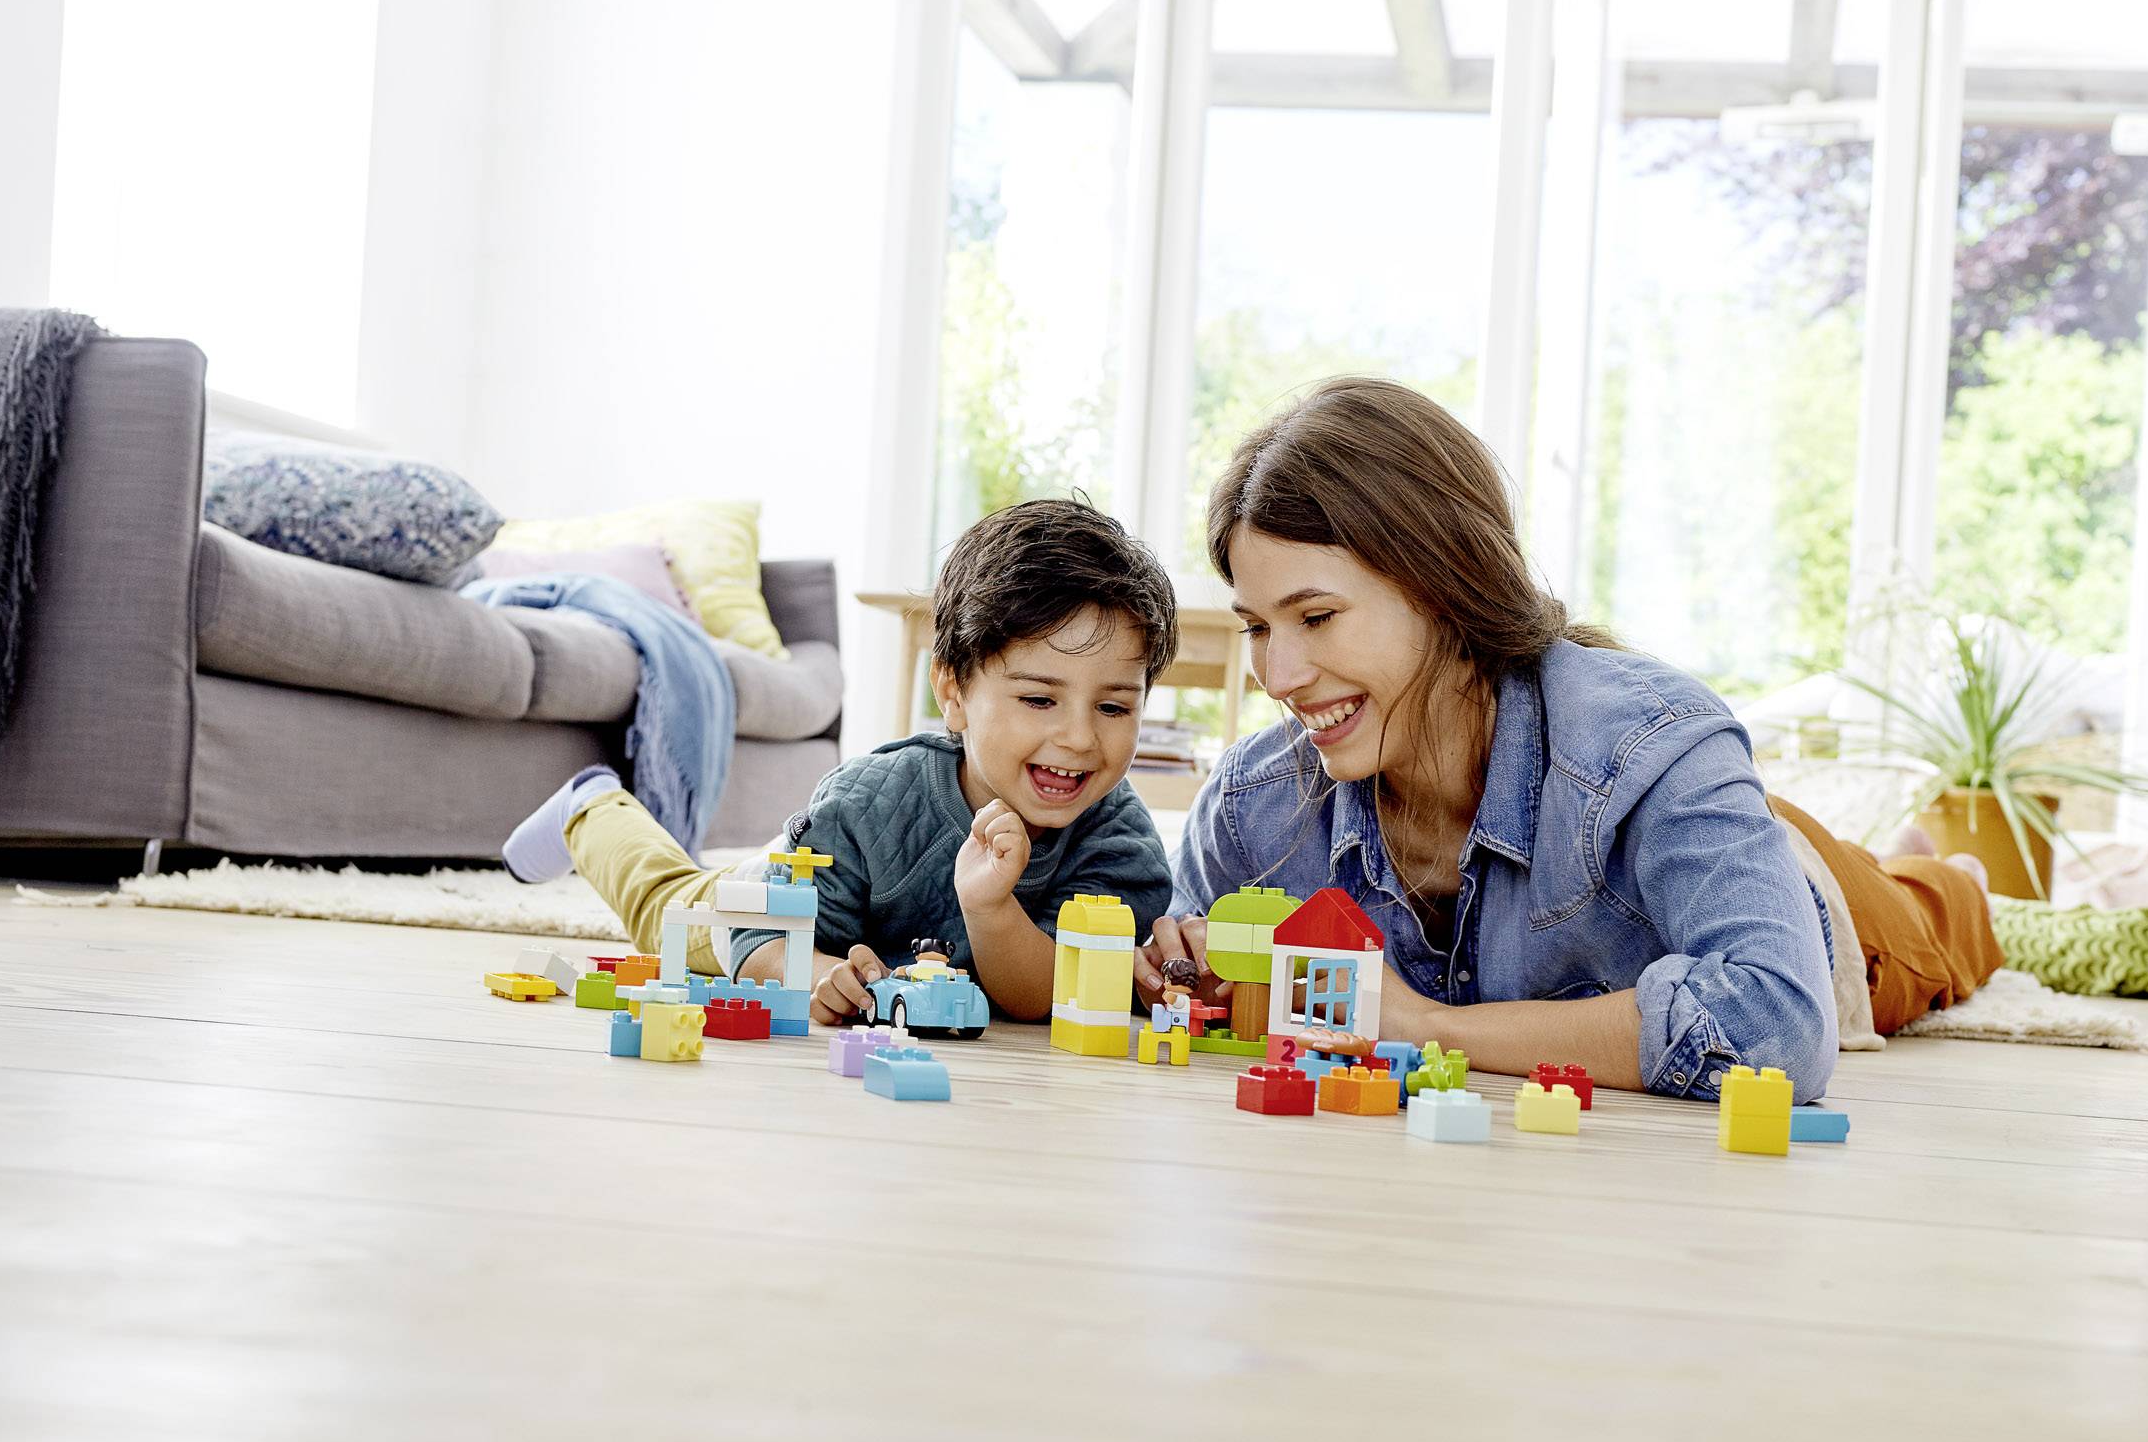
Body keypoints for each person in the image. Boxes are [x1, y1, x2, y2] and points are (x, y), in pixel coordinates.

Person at [1136, 378, 2000, 1098]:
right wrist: (1182, 970)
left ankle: (1943, 872)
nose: (1278, 677)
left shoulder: (1655, 750)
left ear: (1442, 585)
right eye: (1256, 626)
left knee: (1940, 925)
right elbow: (1191, 978)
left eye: (1316, 616)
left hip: (1830, 914)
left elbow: (1780, 1022)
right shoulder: (1257, 808)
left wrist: (1425, 1026)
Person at [506, 498, 1180, 1027]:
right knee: (663, 915)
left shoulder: (1120, 842)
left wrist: (990, 906)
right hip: (778, 893)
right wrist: (820, 973)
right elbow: (766, 941)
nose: (1079, 738)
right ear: (953, 693)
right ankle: (591, 806)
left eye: (1114, 708)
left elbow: (1050, 995)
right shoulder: (869, 804)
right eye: (1040, 698)